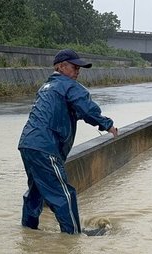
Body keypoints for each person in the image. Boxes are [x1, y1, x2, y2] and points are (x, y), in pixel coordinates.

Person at [17, 49, 119, 235]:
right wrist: (108, 125)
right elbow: (87, 109)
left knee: (36, 191)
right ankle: (73, 237)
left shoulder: (46, 87)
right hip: (45, 147)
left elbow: (69, 112)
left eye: (79, 67)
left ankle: (28, 233)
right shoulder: (69, 86)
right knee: (64, 194)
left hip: (27, 143)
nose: (78, 71)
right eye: (74, 66)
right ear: (60, 67)